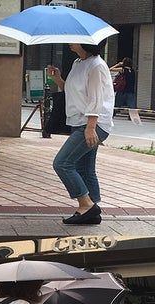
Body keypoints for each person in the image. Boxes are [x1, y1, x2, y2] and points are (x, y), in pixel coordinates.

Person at [46, 40, 114, 225]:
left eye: (74, 39)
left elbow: (96, 99)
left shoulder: (97, 66)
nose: (70, 41)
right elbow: (73, 91)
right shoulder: (78, 63)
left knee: (62, 163)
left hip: (93, 124)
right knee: (85, 169)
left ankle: (86, 205)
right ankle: (92, 211)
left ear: (86, 43)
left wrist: (91, 127)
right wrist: (58, 79)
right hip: (79, 122)